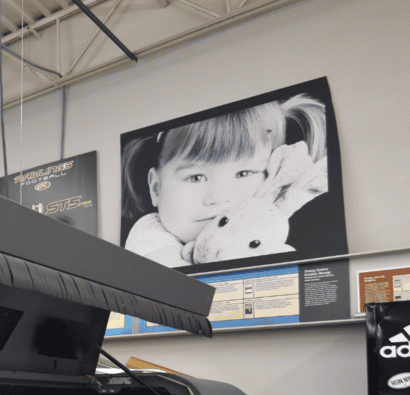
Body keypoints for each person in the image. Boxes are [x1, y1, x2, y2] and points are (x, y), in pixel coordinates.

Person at [121, 95, 327, 267]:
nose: (218, 198)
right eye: (196, 177)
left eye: (243, 173)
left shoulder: (269, 233)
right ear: (156, 188)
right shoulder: (150, 238)